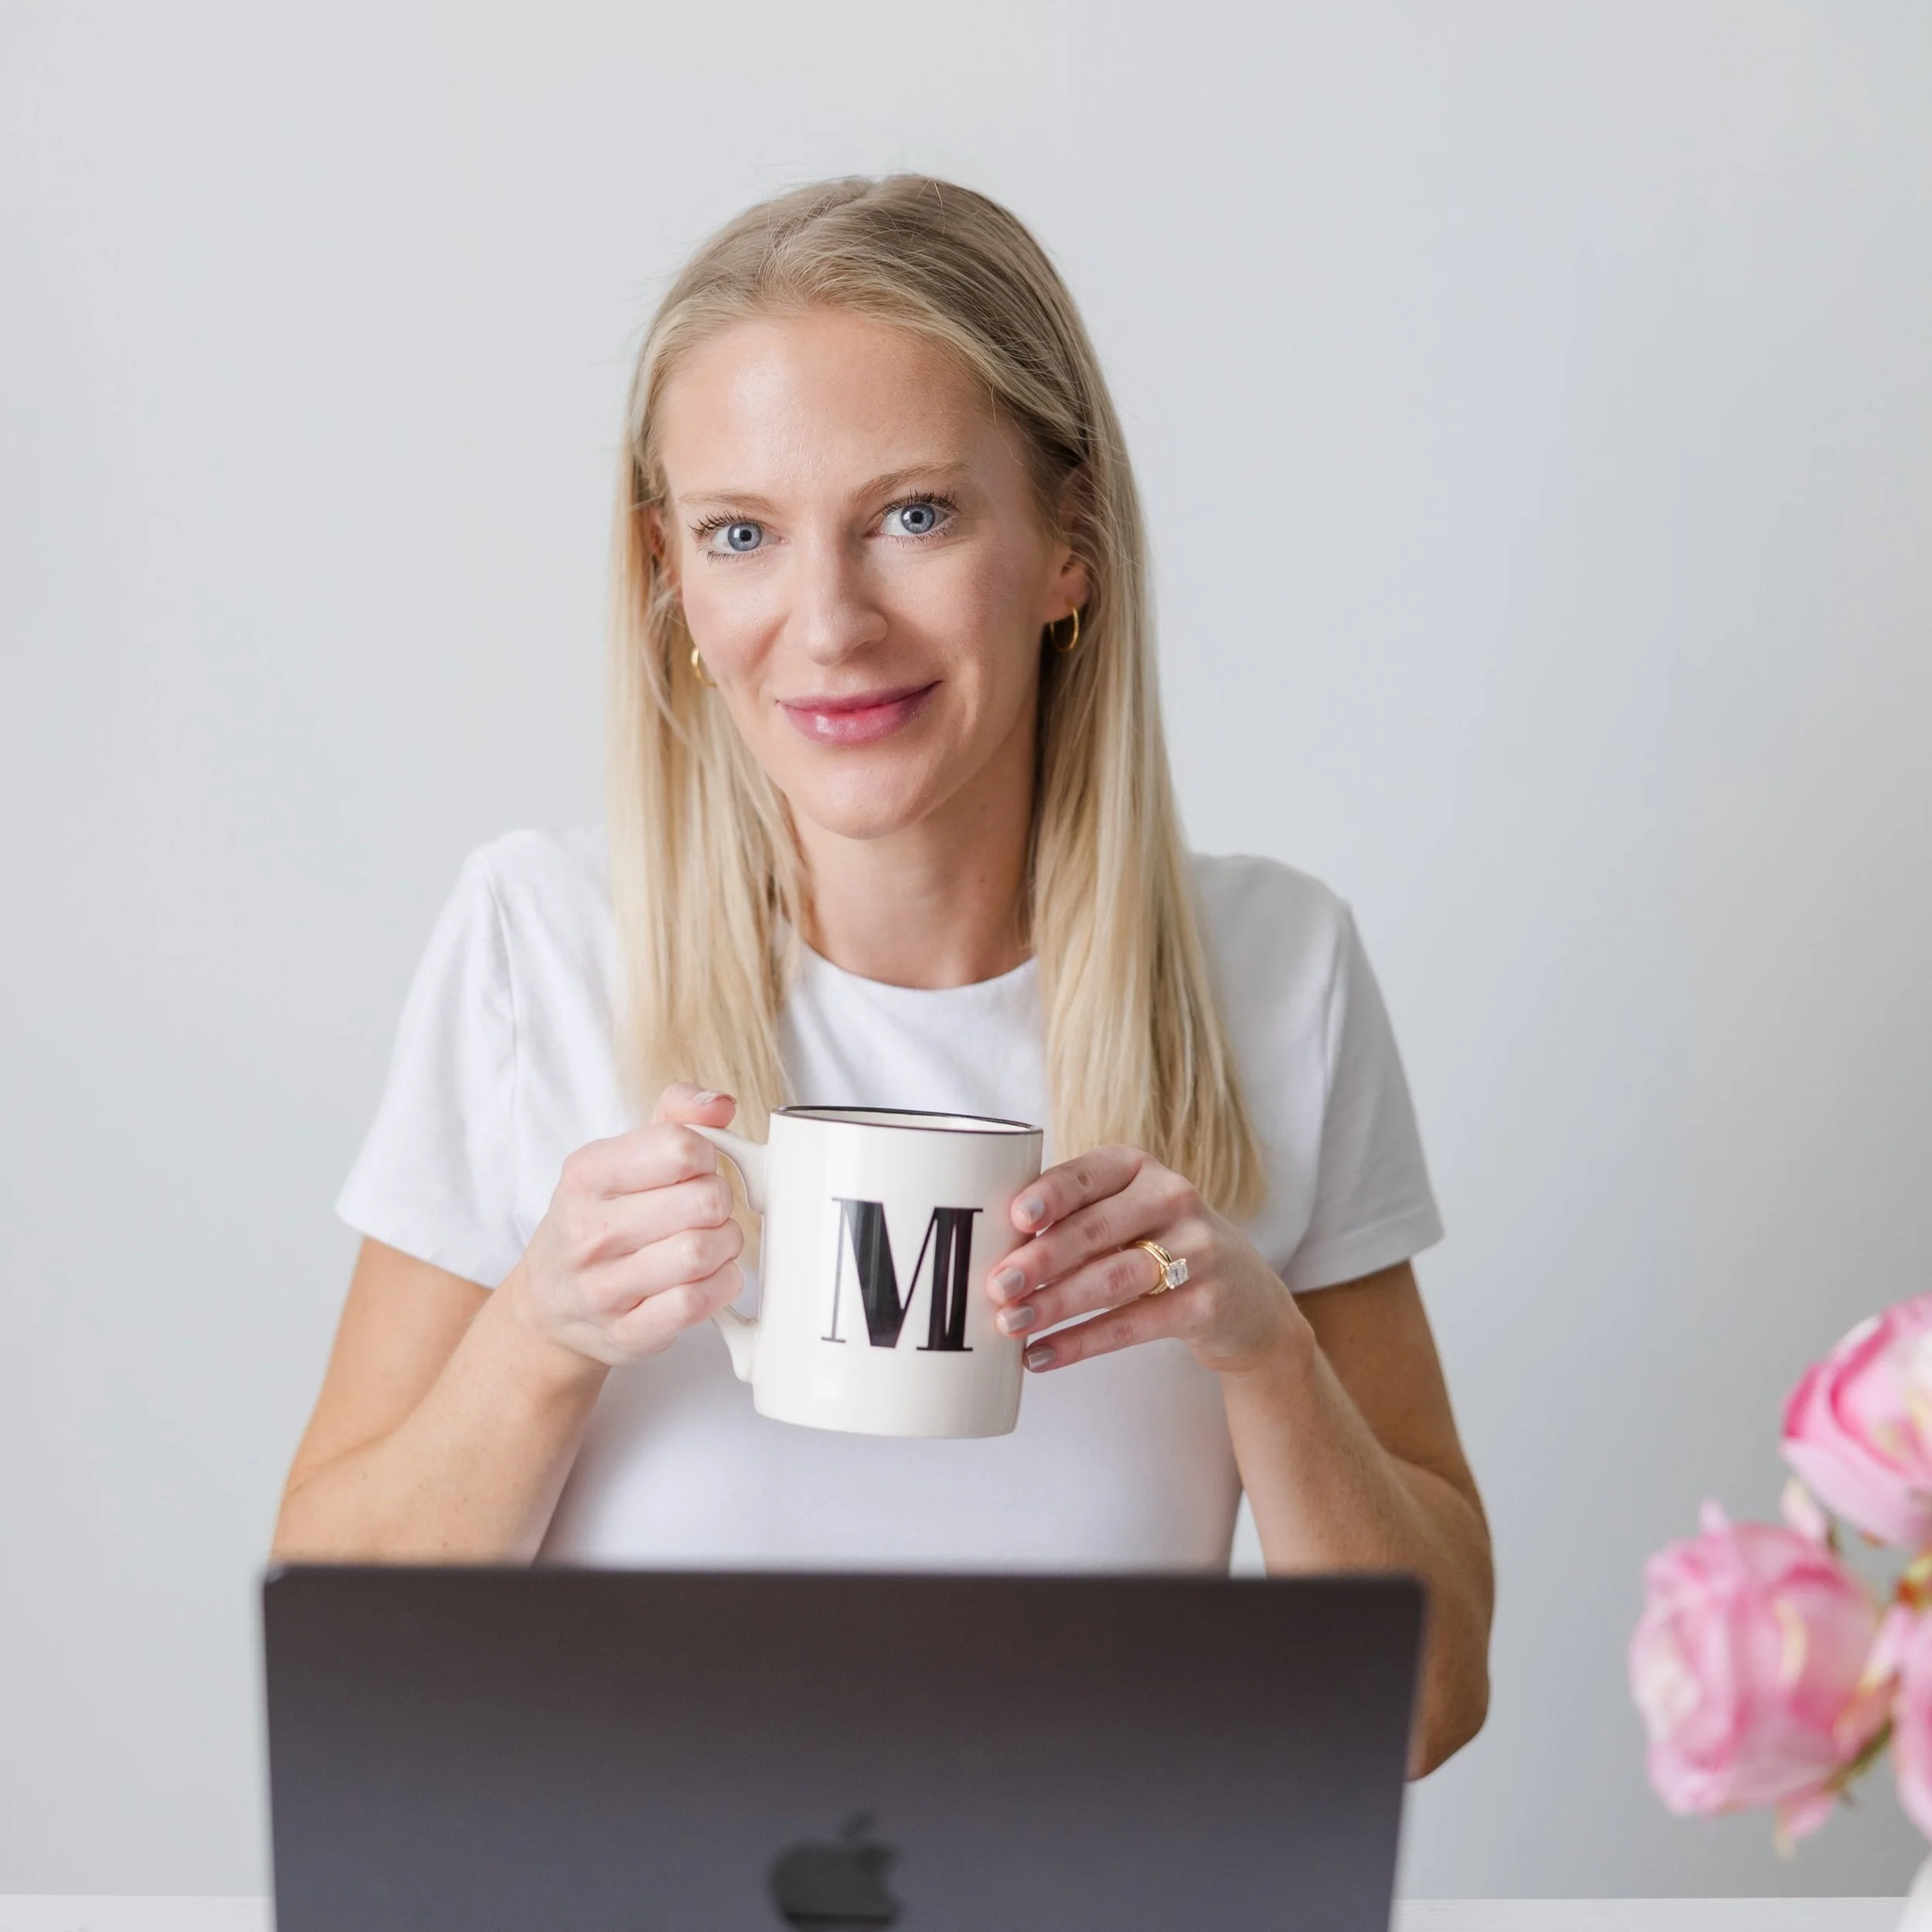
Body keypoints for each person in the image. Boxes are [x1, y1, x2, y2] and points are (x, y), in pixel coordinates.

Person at [274, 175, 1493, 1774]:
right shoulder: (537, 943)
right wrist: (543, 1332)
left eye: (913, 514)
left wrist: (1259, 1349)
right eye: (741, 535)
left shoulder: (1273, 970)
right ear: (671, 582)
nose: (828, 623)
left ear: (1069, 544)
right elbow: (337, 1653)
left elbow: (1423, 1703)